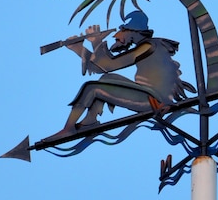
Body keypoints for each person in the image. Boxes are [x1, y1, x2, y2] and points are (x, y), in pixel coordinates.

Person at [48, 11, 195, 138]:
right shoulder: (147, 45)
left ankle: (69, 128)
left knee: (91, 87)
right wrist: (78, 49)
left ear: (133, 31)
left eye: (122, 30)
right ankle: (90, 120)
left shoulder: (148, 46)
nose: (116, 35)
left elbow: (108, 65)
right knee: (106, 79)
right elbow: (102, 69)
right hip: (148, 94)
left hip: (154, 100)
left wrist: (97, 42)